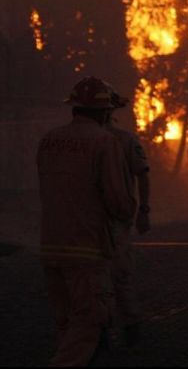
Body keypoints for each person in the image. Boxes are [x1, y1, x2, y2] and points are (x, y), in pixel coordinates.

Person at [37, 77, 136, 366]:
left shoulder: (48, 140)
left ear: (74, 109)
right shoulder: (105, 142)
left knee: (67, 325)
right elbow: (118, 201)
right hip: (88, 249)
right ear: (105, 112)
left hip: (51, 246)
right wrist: (131, 211)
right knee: (91, 320)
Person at [105, 89, 152, 346]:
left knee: (119, 274)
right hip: (97, 220)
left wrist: (143, 211)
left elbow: (143, 174)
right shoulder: (121, 139)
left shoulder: (124, 140)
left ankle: (128, 324)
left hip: (113, 221)